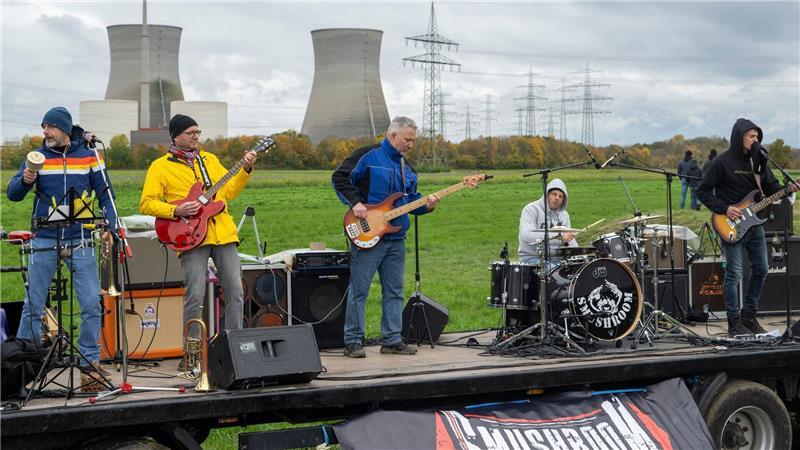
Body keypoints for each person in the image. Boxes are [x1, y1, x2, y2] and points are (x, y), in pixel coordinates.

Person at [6, 106, 116, 390]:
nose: (45, 132)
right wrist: (26, 179)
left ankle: (90, 370)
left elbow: (106, 195)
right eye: (43, 126)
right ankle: (19, 371)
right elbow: (13, 194)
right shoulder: (38, 157)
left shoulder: (90, 155)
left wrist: (112, 227)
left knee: (92, 303)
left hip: (80, 239)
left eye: (50, 127)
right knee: (33, 305)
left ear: (64, 129)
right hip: (44, 238)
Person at [140, 114, 256, 346]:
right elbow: (146, 203)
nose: (196, 137)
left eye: (197, 132)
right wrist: (177, 210)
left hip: (223, 233)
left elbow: (229, 192)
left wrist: (245, 169)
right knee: (194, 295)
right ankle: (192, 354)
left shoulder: (210, 159)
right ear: (175, 136)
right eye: (190, 133)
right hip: (189, 237)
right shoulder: (160, 166)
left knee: (236, 292)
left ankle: (233, 346)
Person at [331, 116, 439, 358]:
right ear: (393, 136)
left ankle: (391, 340)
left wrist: (428, 205)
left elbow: (411, 202)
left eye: (413, 140)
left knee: (394, 291)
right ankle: (352, 341)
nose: (411, 144)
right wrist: (356, 202)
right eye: (407, 140)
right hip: (368, 235)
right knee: (359, 290)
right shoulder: (366, 155)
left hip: (396, 238)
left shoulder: (408, 168)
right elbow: (339, 178)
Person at [696, 118, 800, 337]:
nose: (756, 140)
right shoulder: (722, 162)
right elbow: (702, 190)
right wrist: (725, 208)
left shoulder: (759, 162)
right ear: (739, 137)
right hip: (730, 224)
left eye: (757, 137)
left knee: (761, 269)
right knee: (733, 274)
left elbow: (772, 189)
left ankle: (748, 315)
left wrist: (788, 189)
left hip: (754, 225)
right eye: (751, 136)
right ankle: (734, 323)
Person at [518, 179, 578, 267]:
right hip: (532, 257)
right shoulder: (531, 209)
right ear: (546, 195)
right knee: (556, 274)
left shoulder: (564, 215)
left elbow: (570, 240)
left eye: (561, 196)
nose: (557, 198)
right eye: (554, 194)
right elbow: (527, 235)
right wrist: (558, 236)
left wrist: (579, 254)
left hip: (557, 259)